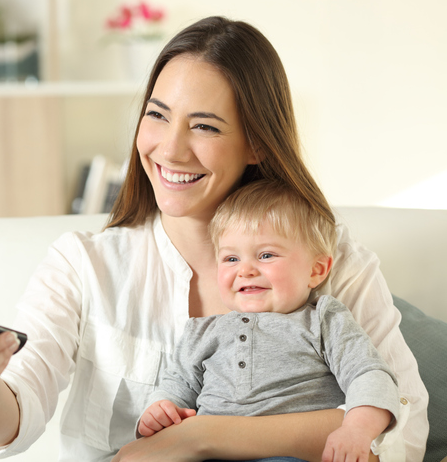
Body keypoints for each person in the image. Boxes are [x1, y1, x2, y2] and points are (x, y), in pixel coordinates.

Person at [0, 16, 428, 461]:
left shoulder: (333, 263)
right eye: (157, 115)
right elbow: (7, 430)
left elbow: (402, 431)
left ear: (257, 142)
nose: (169, 149)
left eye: (205, 126)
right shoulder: (83, 264)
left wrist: (199, 436)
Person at [137, 180, 405, 462]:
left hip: (291, 454)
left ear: (316, 270)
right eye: (230, 258)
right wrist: (159, 408)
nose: (246, 270)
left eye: (266, 255)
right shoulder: (201, 331)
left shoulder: (323, 319)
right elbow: (177, 385)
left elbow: (369, 375)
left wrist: (356, 429)